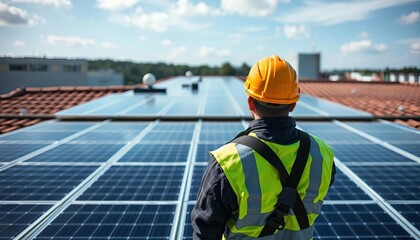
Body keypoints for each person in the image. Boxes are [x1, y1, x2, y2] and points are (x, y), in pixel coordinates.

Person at [191, 55, 335, 239]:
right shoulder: (323, 154)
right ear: (293, 103)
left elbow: (205, 231)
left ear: (250, 102)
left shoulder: (227, 162)